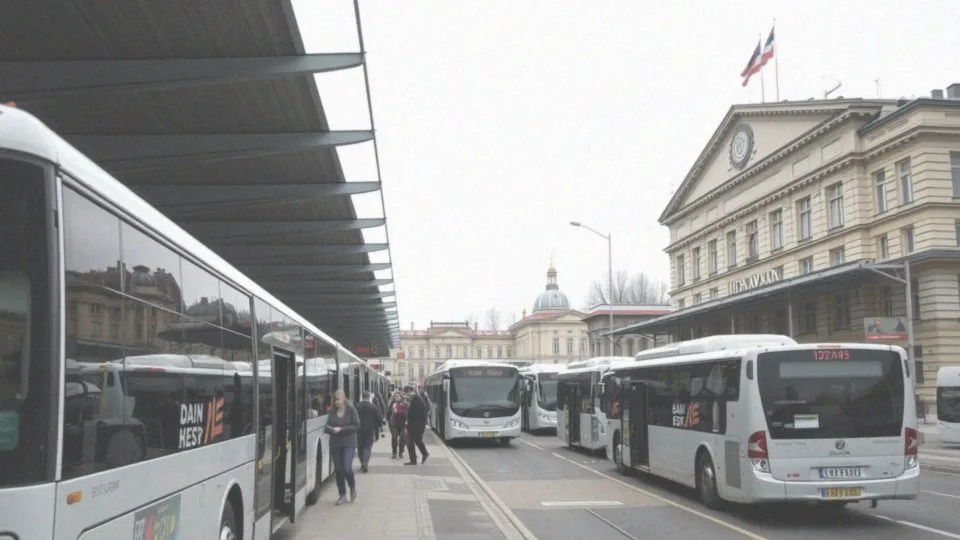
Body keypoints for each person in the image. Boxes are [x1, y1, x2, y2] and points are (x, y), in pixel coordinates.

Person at [325, 389, 361, 505]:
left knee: (346, 468)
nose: (336, 402)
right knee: (339, 470)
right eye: (335, 400)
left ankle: (352, 487)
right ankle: (342, 495)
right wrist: (331, 429)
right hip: (335, 444)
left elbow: (356, 425)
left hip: (348, 443)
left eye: (338, 400)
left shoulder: (351, 410)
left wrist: (342, 429)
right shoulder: (332, 412)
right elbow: (326, 427)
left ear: (344, 399)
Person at [356, 391, 383, 472]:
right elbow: (379, 418)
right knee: (367, 447)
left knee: (360, 447)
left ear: (362, 397)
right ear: (369, 397)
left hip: (359, 430)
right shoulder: (373, 407)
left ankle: (362, 463)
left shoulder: (357, 406)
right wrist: (379, 427)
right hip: (370, 430)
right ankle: (365, 462)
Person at [403, 386, 429, 465]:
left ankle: (424, 454)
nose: (407, 395)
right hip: (414, 425)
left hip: (417, 425)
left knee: (416, 441)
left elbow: (421, 414)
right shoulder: (415, 399)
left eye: (407, 393)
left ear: (411, 391)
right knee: (410, 442)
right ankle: (414, 459)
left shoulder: (417, 400)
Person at [386, 391, 408, 460]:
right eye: (395, 396)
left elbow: (407, 413)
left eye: (398, 396)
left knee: (402, 438)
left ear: (401, 397)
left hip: (402, 424)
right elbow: (388, 414)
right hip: (394, 424)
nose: (396, 398)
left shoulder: (405, 404)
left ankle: (401, 452)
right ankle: (394, 453)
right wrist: (389, 421)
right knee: (394, 438)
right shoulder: (392, 404)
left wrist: (398, 412)